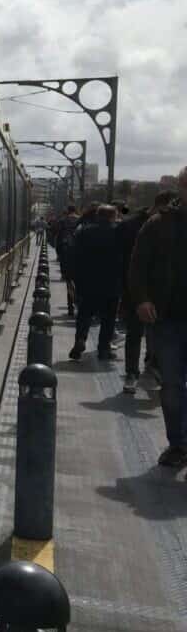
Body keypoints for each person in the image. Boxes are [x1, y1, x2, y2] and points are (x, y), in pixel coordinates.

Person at [129, 166, 187, 468]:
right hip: (169, 319)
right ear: (181, 189)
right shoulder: (158, 225)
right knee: (173, 385)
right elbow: (138, 266)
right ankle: (178, 444)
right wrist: (141, 299)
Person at [118, 191, 175, 392]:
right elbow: (126, 261)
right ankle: (132, 373)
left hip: (165, 296)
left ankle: (152, 368)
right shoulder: (131, 225)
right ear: (161, 206)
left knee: (158, 335)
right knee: (135, 333)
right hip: (136, 291)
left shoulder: (174, 225)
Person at [68, 204, 123, 362]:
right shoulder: (119, 232)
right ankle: (103, 349)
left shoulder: (84, 231)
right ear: (113, 216)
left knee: (84, 314)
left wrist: (73, 277)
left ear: (97, 216)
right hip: (111, 283)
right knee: (108, 319)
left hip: (87, 282)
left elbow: (74, 254)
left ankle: (80, 339)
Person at [55, 205, 81, 316]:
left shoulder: (63, 221)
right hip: (79, 256)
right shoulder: (81, 220)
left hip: (67, 255)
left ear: (67, 211)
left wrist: (59, 254)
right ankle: (79, 304)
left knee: (69, 282)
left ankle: (70, 306)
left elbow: (59, 238)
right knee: (79, 283)